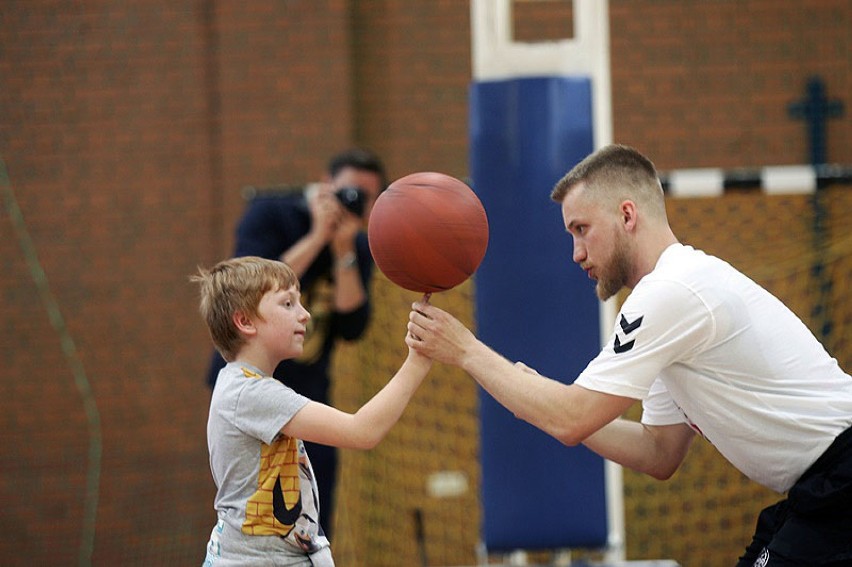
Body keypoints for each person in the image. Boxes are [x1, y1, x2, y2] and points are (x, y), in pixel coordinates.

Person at [406, 144, 852, 566]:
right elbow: (659, 452)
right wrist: (541, 405)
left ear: (626, 214)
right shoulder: (673, 302)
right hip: (821, 491)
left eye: (582, 229)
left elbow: (571, 419)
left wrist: (465, 350)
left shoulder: (669, 291)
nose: (577, 253)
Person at [194, 256, 430, 566]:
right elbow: (362, 431)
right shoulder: (253, 393)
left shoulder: (239, 383)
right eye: (288, 304)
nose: (305, 315)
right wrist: (419, 359)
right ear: (245, 322)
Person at [205, 148, 387, 539]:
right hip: (260, 377)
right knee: (258, 507)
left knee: (314, 511)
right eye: (349, 192)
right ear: (326, 185)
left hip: (307, 388)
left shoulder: (355, 244)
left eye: (367, 198)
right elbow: (245, 290)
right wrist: (318, 236)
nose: (303, 314)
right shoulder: (273, 214)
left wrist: (341, 250)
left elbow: (353, 325)